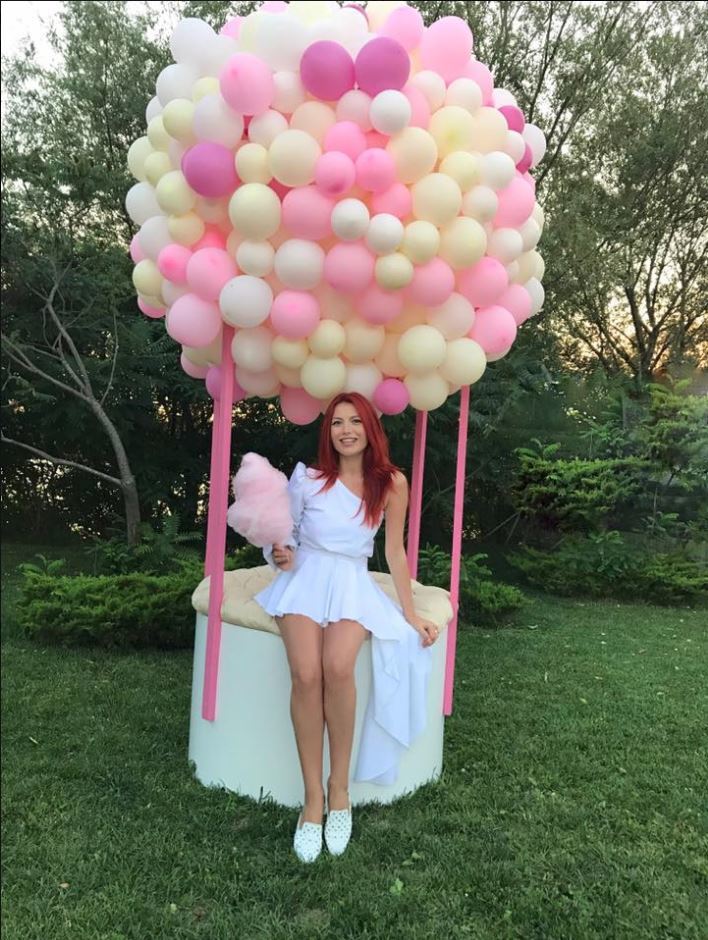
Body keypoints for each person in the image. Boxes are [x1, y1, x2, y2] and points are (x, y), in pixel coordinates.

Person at [254, 392, 440, 863]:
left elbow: (394, 552)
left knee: (338, 667)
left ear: (370, 428)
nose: (346, 430)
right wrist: (280, 553)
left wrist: (410, 613)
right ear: (328, 431)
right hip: (304, 579)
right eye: (337, 422)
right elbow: (284, 539)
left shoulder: (391, 483)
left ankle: (340, 790)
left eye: (355, 421)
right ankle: (312, 799)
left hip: (352, 583)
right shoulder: (308, 479)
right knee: (306, 673)